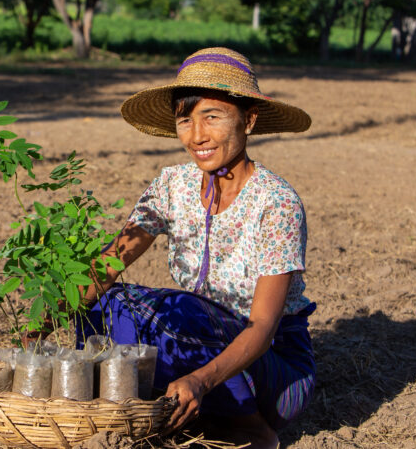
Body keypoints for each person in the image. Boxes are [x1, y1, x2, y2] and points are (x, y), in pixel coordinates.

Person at [78, 47, 315, 449]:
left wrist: (201, 380)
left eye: (212, 117)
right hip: (201, 341)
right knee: (108, 304)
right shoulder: (173, 185)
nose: (196, 135)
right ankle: (167, 408)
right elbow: (111, 263)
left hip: (273, 373)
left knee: (182, 314)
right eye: (185, 119)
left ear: (249, 120)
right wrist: (50, 315)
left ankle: (251, 428)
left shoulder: (276, 203)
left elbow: (262, 328)